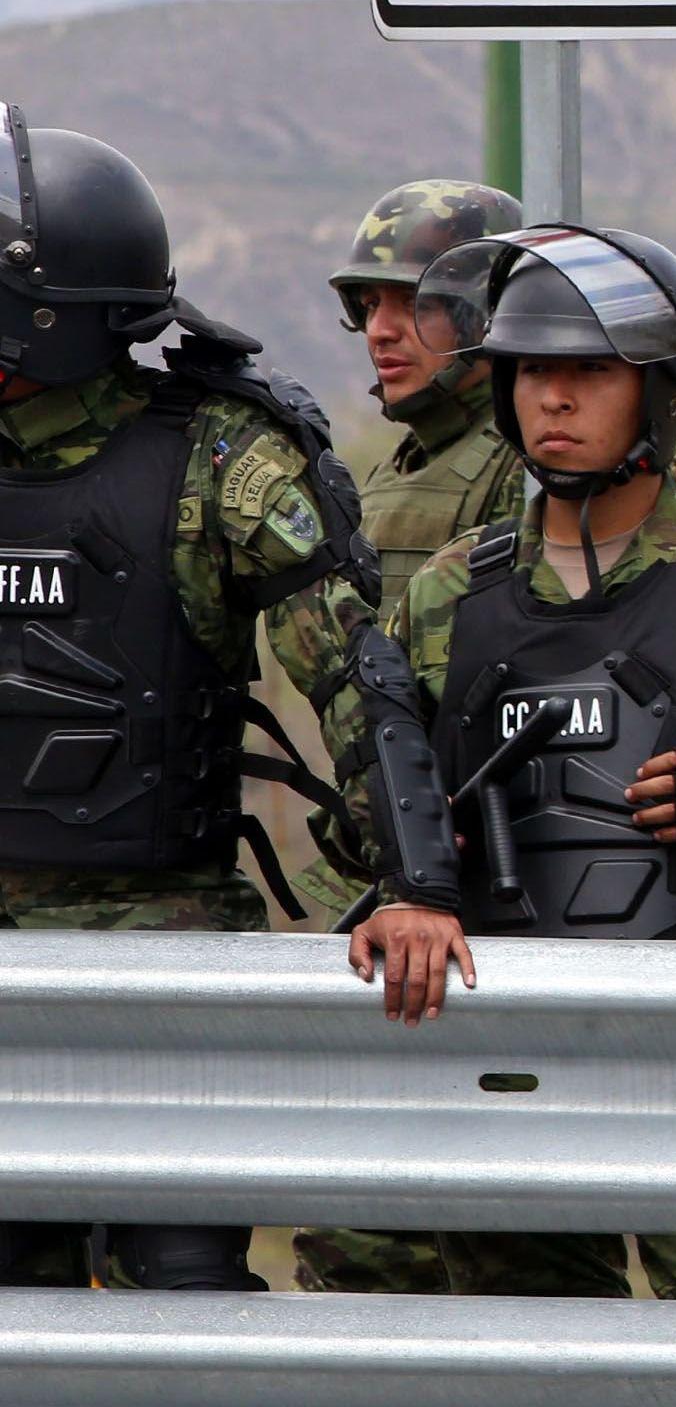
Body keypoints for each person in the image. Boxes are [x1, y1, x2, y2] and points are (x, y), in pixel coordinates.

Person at [332, 223, 676, 1304]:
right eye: (534, 372)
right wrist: (410, 881)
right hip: (511, 1057)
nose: (553, 399)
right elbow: (377, 790)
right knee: (532, 1359)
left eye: (590, 372)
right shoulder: (449, 593)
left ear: (661, 394)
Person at [0, 105, 374, 1292]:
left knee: (185, 1288)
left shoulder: (220, 455)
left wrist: (410, 883)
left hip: (161, 953)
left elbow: (359, 673)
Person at [278, 177, 523, 1298]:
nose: (380, 330)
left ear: (484, 313)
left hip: (471, 903)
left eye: (412, 302)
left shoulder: (525, 469)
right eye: (366, 305)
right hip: (399, 888)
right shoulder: (404, 468)